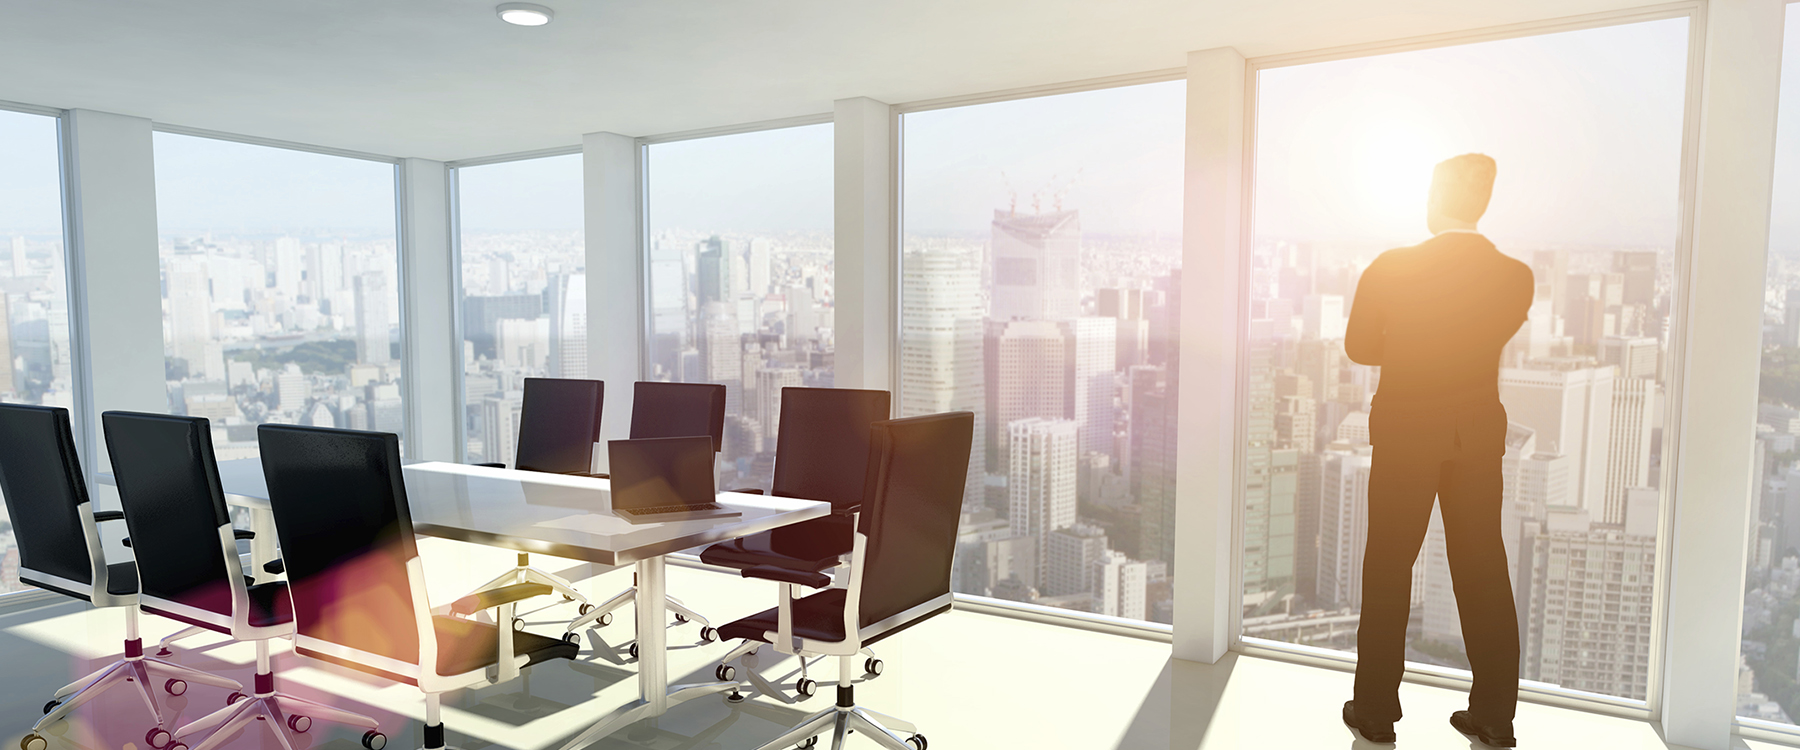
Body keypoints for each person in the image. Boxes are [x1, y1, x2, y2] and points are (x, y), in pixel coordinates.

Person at [1339, 153, 1532, 748]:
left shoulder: (1392, 267)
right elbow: (1487, 337)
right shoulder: (1516, 276)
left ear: (1433, 198)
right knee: (1484, 568)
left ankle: (1375, 710)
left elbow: (1360, 347)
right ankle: (1495, 716)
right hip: (1475, 433)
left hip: (1406, 431)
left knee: (1390, 566)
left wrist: (1409, 340)